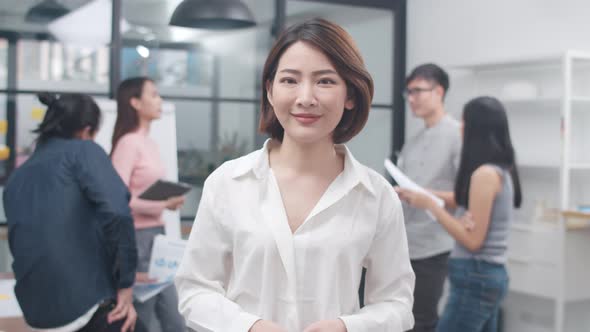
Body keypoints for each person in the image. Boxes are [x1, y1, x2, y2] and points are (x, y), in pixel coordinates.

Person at [175, 18, 414, 332]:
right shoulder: (228, 182)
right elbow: (194, 289)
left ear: (350, 95)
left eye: (325, 81)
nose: (306, 97)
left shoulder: (376, 195)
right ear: (270, 91)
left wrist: (347, 327)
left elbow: (396, 304)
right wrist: (249, 326)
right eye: (290, 80)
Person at [3, 93, 138, 332]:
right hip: (86, 303)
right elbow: (117, 214)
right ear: (87, 130)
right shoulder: (83, 151)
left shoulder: (16, 178)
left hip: (37, 310)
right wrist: (126, 284)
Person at [398, 96, 522, 332]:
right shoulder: (500, 169)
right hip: (486, 276)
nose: (460, 127)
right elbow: (474, 224)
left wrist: (430, 205)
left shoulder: (484, 175)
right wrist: (425, 194)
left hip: (476, 276)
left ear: (477, 129)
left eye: (464, 122)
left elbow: (472, 241)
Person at [110, 77, 186, 331]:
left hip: (157, 237)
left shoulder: (150, 143)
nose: (159, 100)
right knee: (147, 318)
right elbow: (116, 199)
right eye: (153, 95)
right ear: (134, 102)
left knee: (173, 317)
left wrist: (165, 204)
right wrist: (162, 205)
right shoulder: (128, 143)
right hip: (137, 238)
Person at [395, 63, 462, 332]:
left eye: (417, 91)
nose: (411, 98)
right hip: (404, 244)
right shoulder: (413, 141)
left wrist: (424, 196)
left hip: (434, 246)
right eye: (408, 92)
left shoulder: (458, 135)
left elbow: (468, 196)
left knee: (422, 321)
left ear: (439, 91)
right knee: (400, 319)